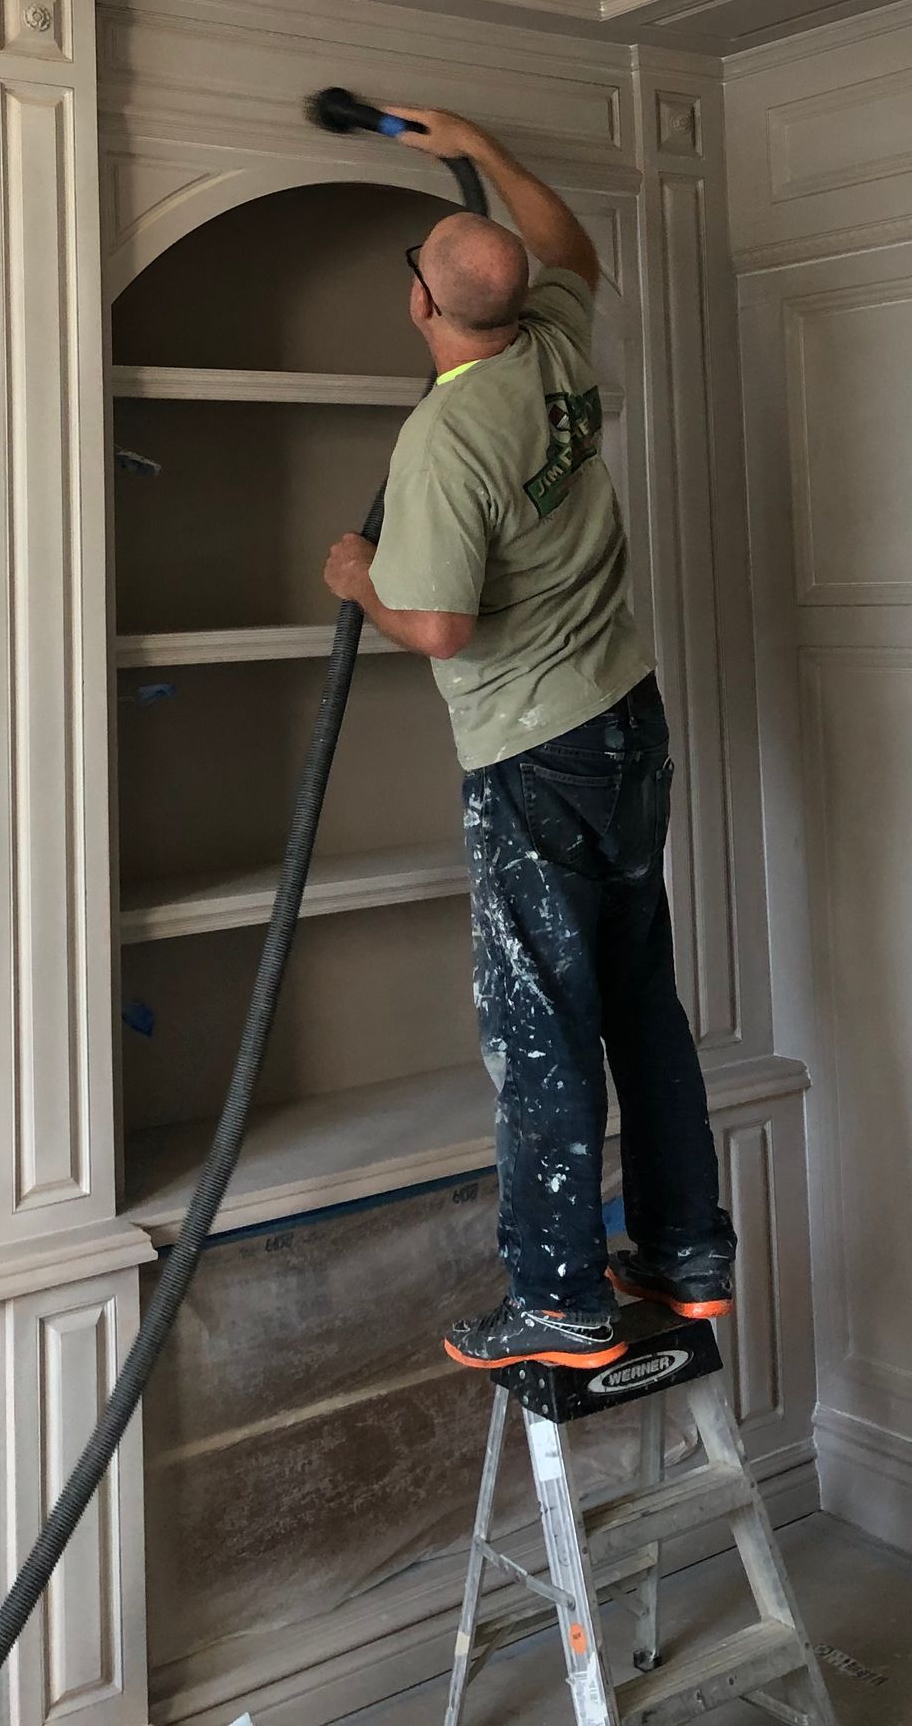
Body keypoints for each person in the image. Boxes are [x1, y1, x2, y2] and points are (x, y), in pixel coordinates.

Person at [322, 104, 737, 1371]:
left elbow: (442, 625)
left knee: (541, 1022)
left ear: (421, 305)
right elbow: (575, 254)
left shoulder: (445, 435)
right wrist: (494, 151)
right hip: (628, 726)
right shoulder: (554, 348)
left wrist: (360, 580)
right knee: (639, 1002)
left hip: (535, 750)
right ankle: (686, 1254)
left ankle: (559, 1299)